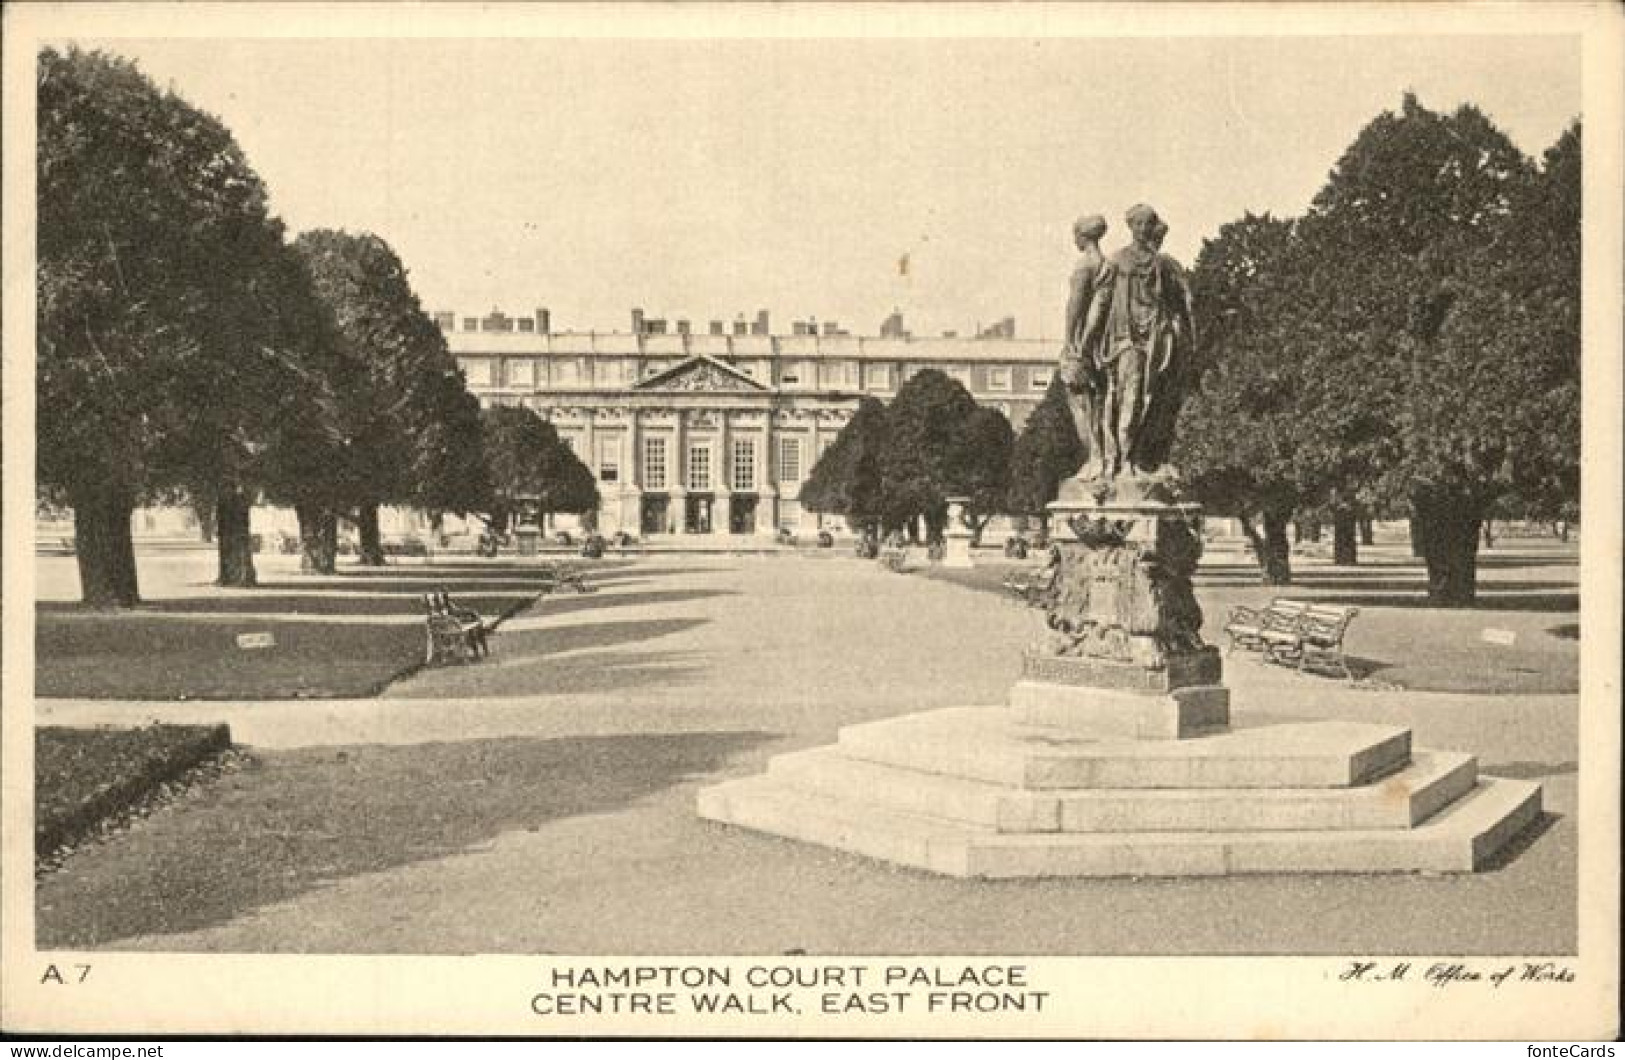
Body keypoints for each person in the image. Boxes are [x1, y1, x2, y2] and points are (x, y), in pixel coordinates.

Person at [1079, 204, 1195, 479]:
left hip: (1158, 337)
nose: (1143, 229)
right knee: (1127, 399)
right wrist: (1085, 341)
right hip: (1126, 338)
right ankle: (1122, 459)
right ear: (1130, 226)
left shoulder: (1162, 263)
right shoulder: (1117, 261)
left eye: (1148, 224)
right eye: (1138, 224)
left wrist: (1185, 333)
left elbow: (1181, 300)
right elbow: (1100, 301)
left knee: (1155, 400)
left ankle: (1147, 457)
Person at [1059, 214, 1110, 479]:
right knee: (1100, 406)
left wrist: (1071, 343)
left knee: (1083, 407)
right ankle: (1101, 459)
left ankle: (1094, 461)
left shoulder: (1085, 266)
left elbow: (1076, 307)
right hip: (1102, 346)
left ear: (1082, 236)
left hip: (1083, 347)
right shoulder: (1106, 264)